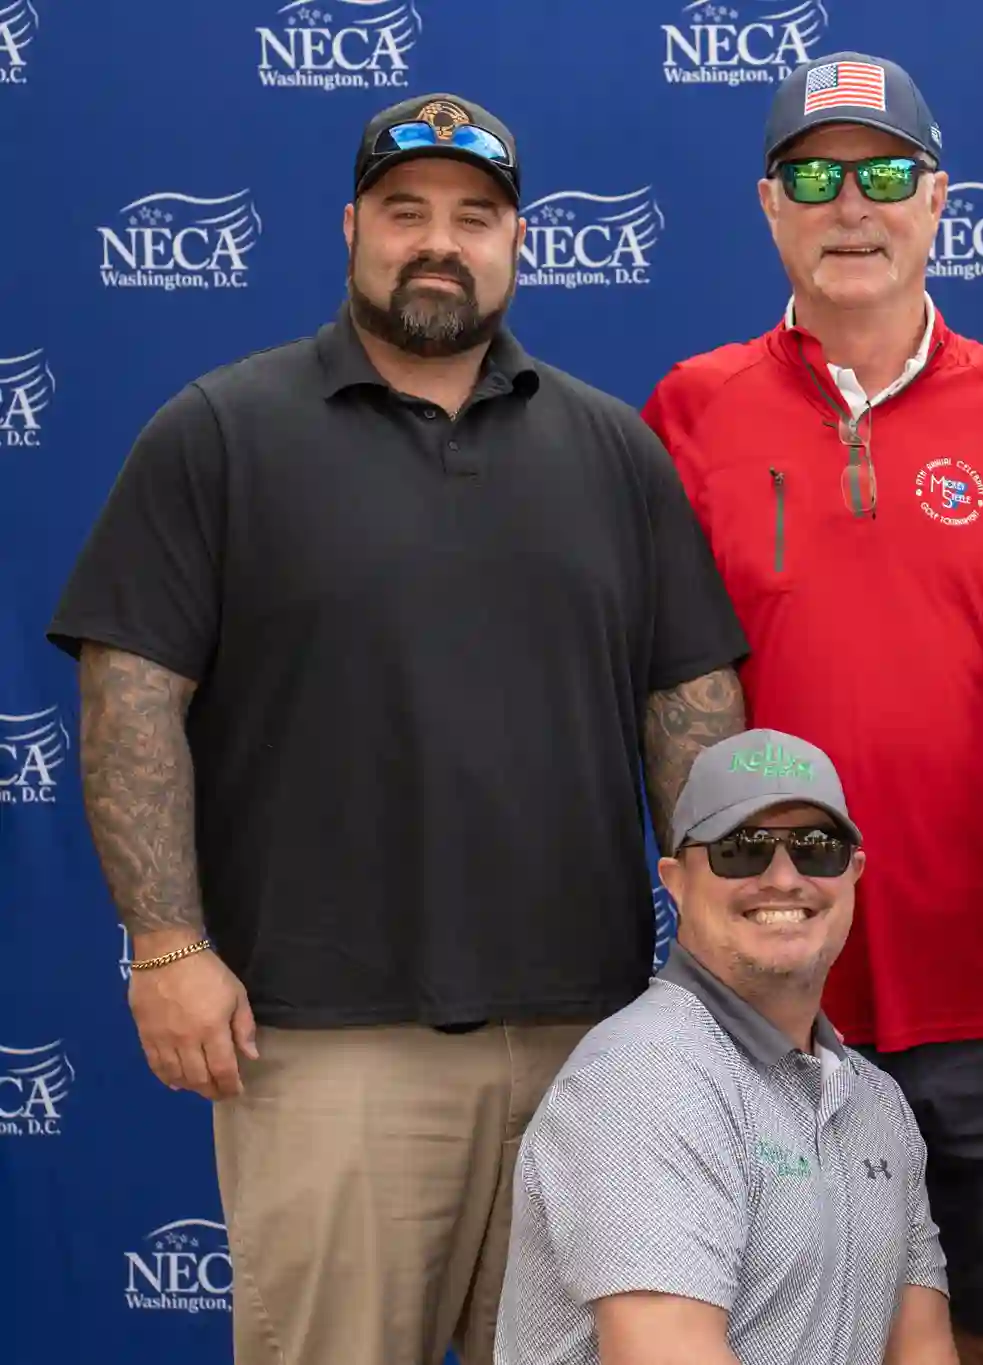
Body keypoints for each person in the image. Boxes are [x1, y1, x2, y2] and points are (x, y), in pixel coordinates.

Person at [46, 93, 749, 1365]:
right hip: (321, 1040)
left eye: (474, 218)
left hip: (587, 1041)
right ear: (350, 228)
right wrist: (164, 944)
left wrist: (711, 965)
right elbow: (132, 691)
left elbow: (688, 709)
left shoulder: (613, 452)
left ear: (518, 242)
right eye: (405, 212)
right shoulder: (220, 433)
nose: (439, 242)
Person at [639, 51, 983, 1365]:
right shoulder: (692, 409)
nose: (853, 204)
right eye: (815, 174)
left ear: (940, 200)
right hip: (777, 974)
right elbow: (661, 687)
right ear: (769, 204)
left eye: (886, 173)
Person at [497, 729, 955, 1365]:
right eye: (742, 850)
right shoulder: (640, 1080)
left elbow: (922, 1350)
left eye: (816, 849)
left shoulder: (877, 1103)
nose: (784, 878)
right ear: (676, 881)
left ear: (853, 873)